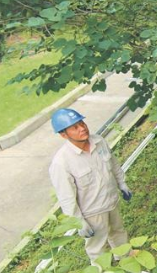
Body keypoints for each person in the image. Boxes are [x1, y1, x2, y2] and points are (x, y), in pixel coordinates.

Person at [49, 108, 132, 264]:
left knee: (118, 231)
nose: (82, 128)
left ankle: (124, 255)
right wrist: (79, 222)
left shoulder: (99, 141)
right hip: (92, 211)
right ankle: (103, 272)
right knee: (97, 245)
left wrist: (122, 183)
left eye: (82, 123)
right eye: (75, 127)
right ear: (63, 135)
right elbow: (66, 197)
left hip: (111, 200)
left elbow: (113, 164)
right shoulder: (61, 162)